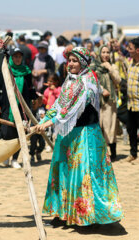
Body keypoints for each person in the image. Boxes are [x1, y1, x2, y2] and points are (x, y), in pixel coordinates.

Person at [33, 47, 123, 226]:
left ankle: (86, 217)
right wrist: (45, 118)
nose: (71, 64)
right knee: (62, 172)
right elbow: (60, 103)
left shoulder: (88, 80)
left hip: (85, 136)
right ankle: (61, 214)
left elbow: (71, 107)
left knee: (84, 175)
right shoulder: (70, 80)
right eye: (69, 61)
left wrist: (50, 123)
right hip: (68, 134)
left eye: (75, 61)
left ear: (82, 62)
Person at [0, 48, 38, 168]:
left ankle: (14, 159)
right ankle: (6, 157)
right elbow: (0, 86)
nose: (17, 59)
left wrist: (35, 98)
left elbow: (30, 88)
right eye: (15, 56)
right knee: (7, 132)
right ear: (11, 58)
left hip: (23, 106)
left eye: (19, 56)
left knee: (19, 132)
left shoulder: (26, 71)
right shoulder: (6, 70)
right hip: (8, 105)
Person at [91, 45, 121, 161]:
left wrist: (110, 68)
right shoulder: (94, 67)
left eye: (108, 52)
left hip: (110, 102)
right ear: (99, 53)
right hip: (97, 101)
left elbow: (118, 80)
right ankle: (100, 152)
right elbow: (92, 80)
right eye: (103, 52)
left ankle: (112, 153)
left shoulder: (113, 66)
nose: (105, 54)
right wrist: (101, 89)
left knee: (110, 126)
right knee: (99, 126)